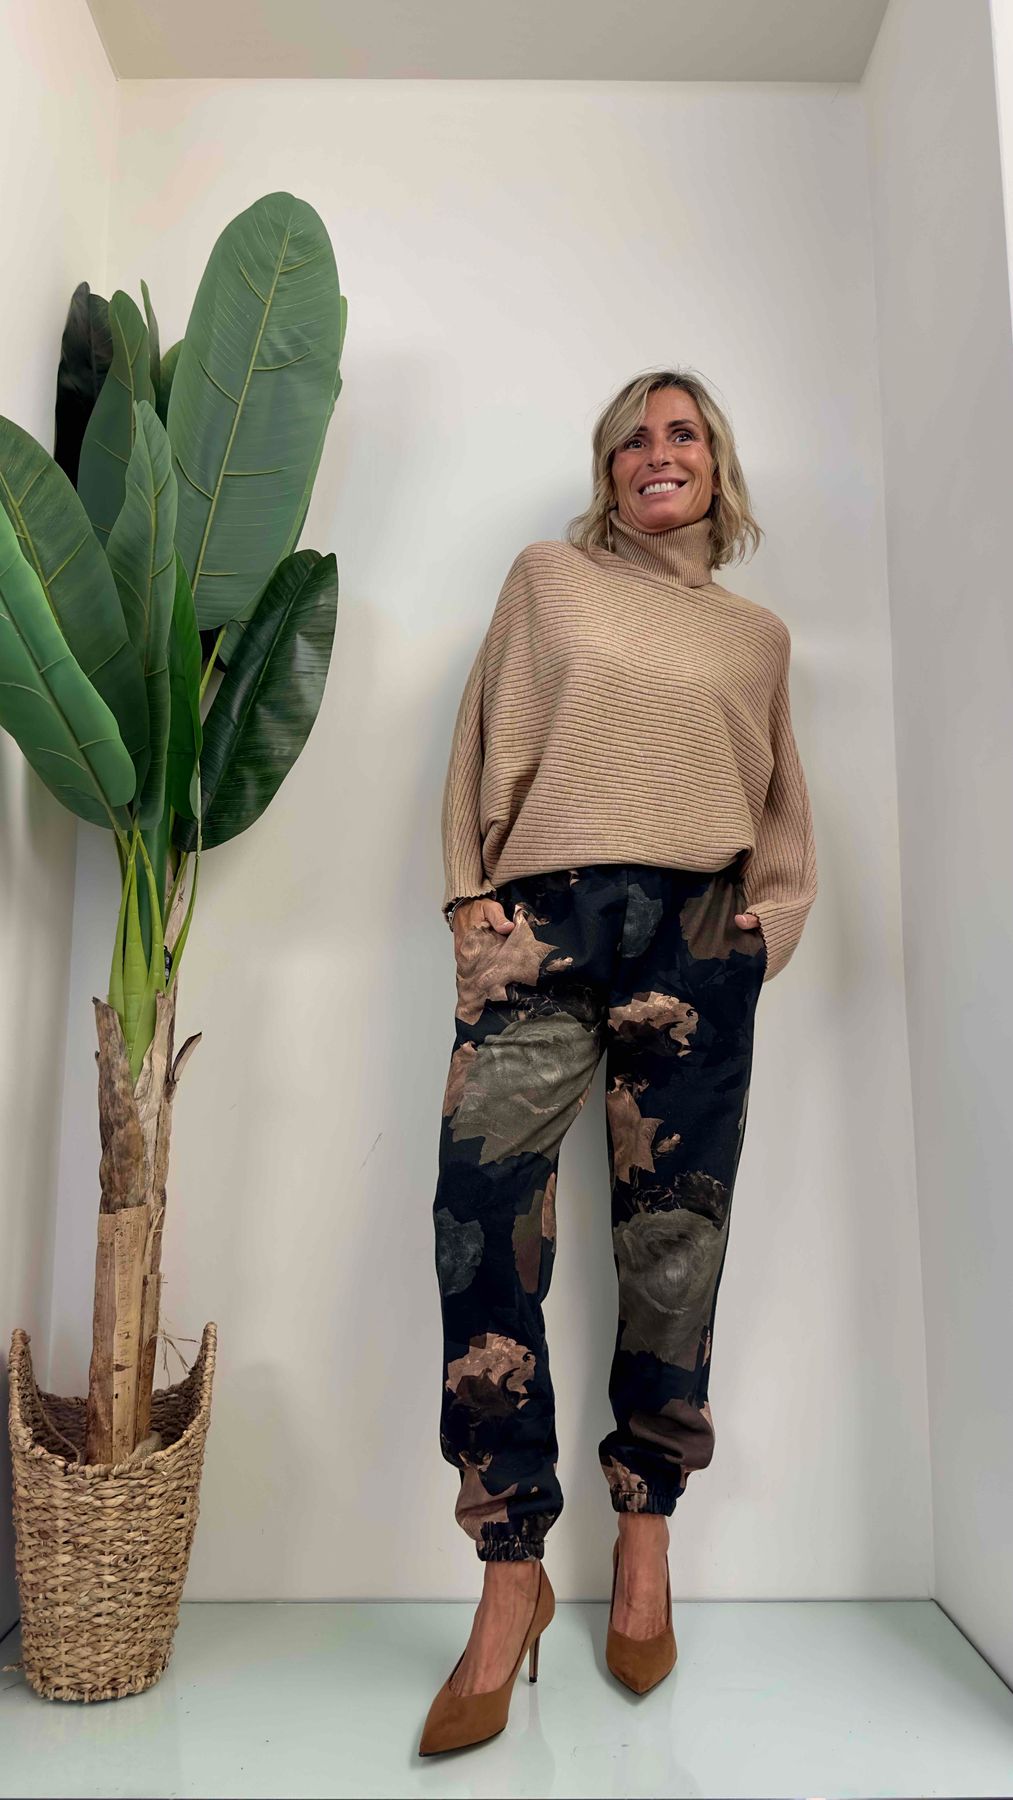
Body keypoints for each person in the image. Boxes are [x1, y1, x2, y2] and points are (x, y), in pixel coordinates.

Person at [419, 368, 818, 1756]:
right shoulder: (550, 580)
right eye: (635, 438)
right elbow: (482, 735)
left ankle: (644, 1537)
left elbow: (782, 805)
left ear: (716, 466)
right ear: (607, 470)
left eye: (684, 433)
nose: (660, 453)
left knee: (673, 1244)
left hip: (697, 937)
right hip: (542, 926)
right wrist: (469, 901)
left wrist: (768, 924)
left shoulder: (757, 638)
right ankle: (510, 1570)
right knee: (480, 1223)